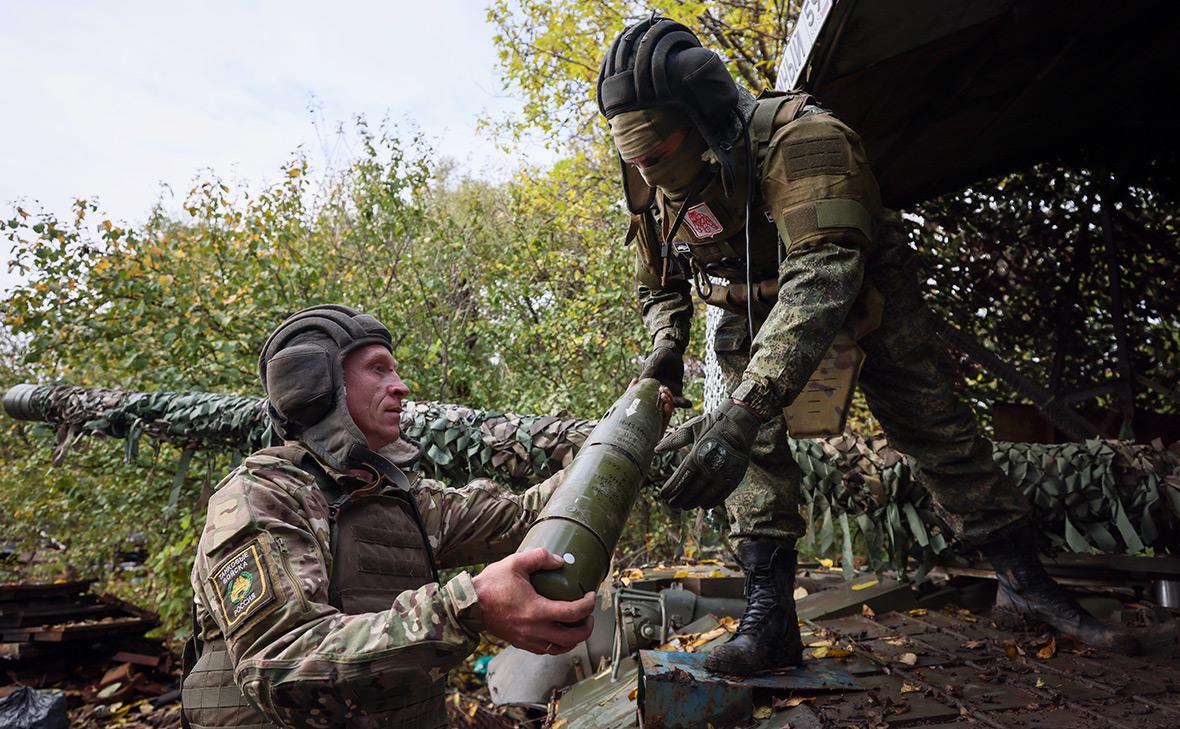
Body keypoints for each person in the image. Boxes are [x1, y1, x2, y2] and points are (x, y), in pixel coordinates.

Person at [596, 17, 1140, 675]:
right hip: (746, 303)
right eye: (635, 160)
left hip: (860, 290)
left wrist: (743, 410)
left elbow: (822, 278)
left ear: (707, 123)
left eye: (656, 155)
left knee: (937, 430)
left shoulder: (805, 143)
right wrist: (664, 350)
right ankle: (770, 623)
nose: (648, 175)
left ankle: (1025, 581)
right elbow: (659, 279)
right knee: (756, 462)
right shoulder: (649, 179)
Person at [181, 305, 663, 728]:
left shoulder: (403, 500)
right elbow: (279, 665)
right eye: (378, 369)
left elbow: (526, 516)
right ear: (317, 385)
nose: (401, 385)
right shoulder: (259, 499)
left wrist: (626, 429)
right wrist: (468, 606)